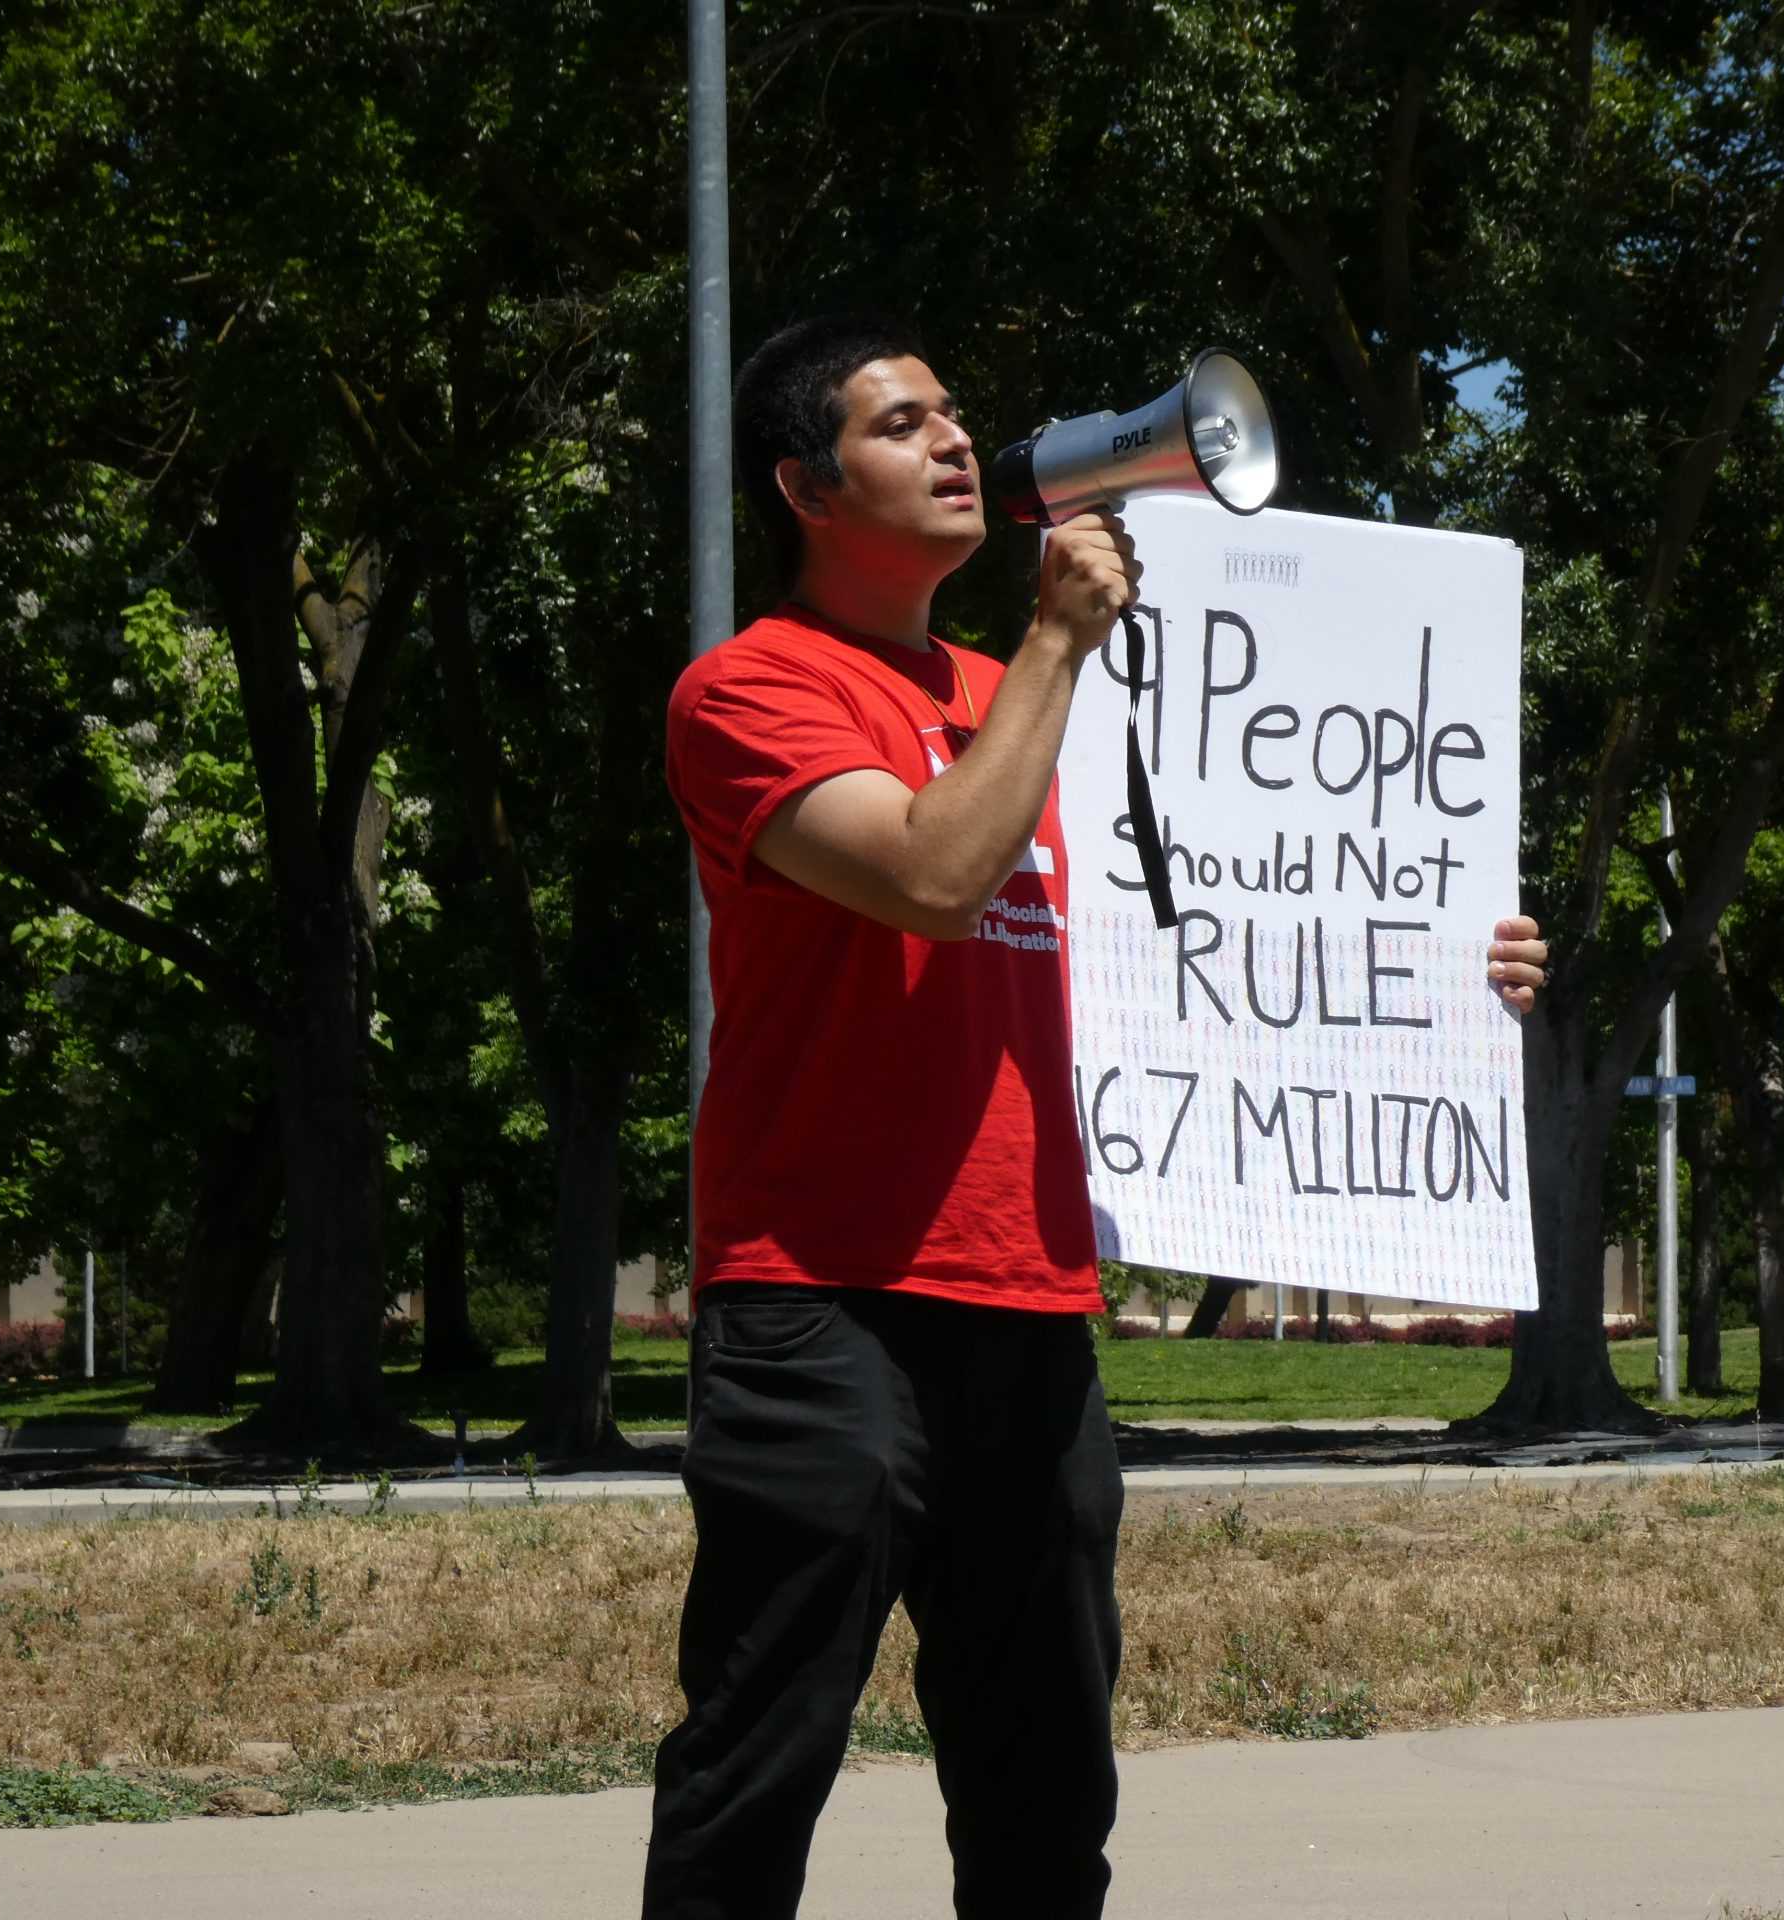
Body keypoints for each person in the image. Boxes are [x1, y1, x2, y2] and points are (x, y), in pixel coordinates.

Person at [648, 314, 1548, 1920]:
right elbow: (931, 873)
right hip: (820, 1300)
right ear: (803, 484)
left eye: (955, 417)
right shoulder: (750, 690)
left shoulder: (1017, 699)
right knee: (760, 1753)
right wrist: (1057, 649)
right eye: (900, 423)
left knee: (1046, 1780)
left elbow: (1218, 927)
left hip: (1028, 1302)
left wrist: (1433, 966)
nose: (951, 443)